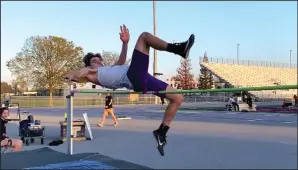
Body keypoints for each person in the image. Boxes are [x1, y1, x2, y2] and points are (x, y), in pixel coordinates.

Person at [65, 25, 195, 156]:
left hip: (142, 77)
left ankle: (162, 132)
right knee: (144, 37)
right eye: (95, 61)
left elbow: (121, 60)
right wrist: (72, 74)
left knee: (177, 98)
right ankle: (179, 49)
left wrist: (125, 43)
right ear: (89, 65)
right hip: (134, 75)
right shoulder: (91, 72)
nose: (98, 62)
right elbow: (81, 72)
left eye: (99, 60)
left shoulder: (108, 69)